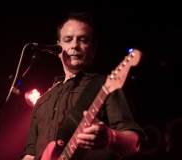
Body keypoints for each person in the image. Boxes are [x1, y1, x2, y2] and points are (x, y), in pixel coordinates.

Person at [21, 12, 147, 160]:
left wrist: (111, 137)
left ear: (93, 48)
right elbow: (30, 153)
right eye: (68, 40)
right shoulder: (42, 100)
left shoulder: (107, 85)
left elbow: (134, 143)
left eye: (83, 40)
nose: (75, 45)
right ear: (58, 47)